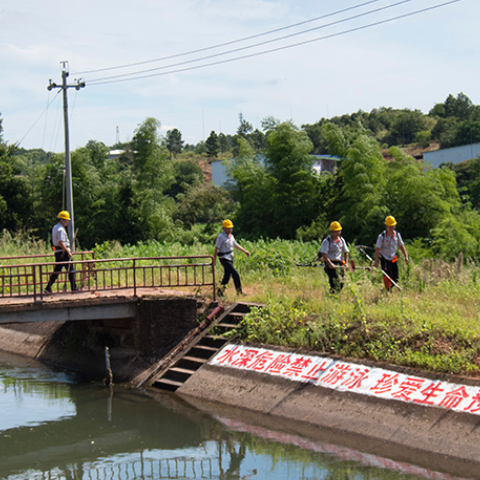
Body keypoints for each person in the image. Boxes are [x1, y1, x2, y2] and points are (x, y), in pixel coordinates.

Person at [213, 219, 250, 297]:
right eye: (228, 228)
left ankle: (219, 292)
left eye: (231, 228)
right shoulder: (220, 237)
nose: (230, 229)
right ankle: (239, 292)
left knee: (227, 276)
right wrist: (214, 260)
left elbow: (235, 245)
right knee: (235, 274)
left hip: (230, 257)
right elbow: (216, 248)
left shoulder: (231, 236)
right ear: (224, 228)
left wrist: (245, 251)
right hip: (224, 258)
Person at [44, 211, 78, 294]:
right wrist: (67, 251)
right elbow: (60, 242)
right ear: (62, 220)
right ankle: (74, 288)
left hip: (58, 252)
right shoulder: (60, 230)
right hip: (63, 252)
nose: (68, 221)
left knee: (57, 271)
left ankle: (48, 288)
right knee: (71, 270)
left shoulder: (55, 227)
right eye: (66, 220)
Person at [374, 215, 409, 290]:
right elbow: (377, 249)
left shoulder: (397, 235)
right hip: (385, 260)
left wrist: (406, 256)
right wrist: (376, 261)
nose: (392, 228)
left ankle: (386, 289)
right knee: (387, 278)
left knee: (396, 278)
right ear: (386, 226)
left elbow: (401, 246)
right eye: (390, 226)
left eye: (393, 226)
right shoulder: (382, 236)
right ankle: (387, 291)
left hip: (393, 259)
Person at [319, 221, 349, 293]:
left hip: (339, 262)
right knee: (334, 282)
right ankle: (332, 296)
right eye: (337, 231)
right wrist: (330, 263)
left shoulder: (341, 240)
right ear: (332, 232)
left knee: (342, 281)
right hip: (330, 263)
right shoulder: (327, 241)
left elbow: (346, 252)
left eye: (339, 231)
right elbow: (324, 254)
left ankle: (334, 295)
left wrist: (346, 263)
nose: (339, 233)